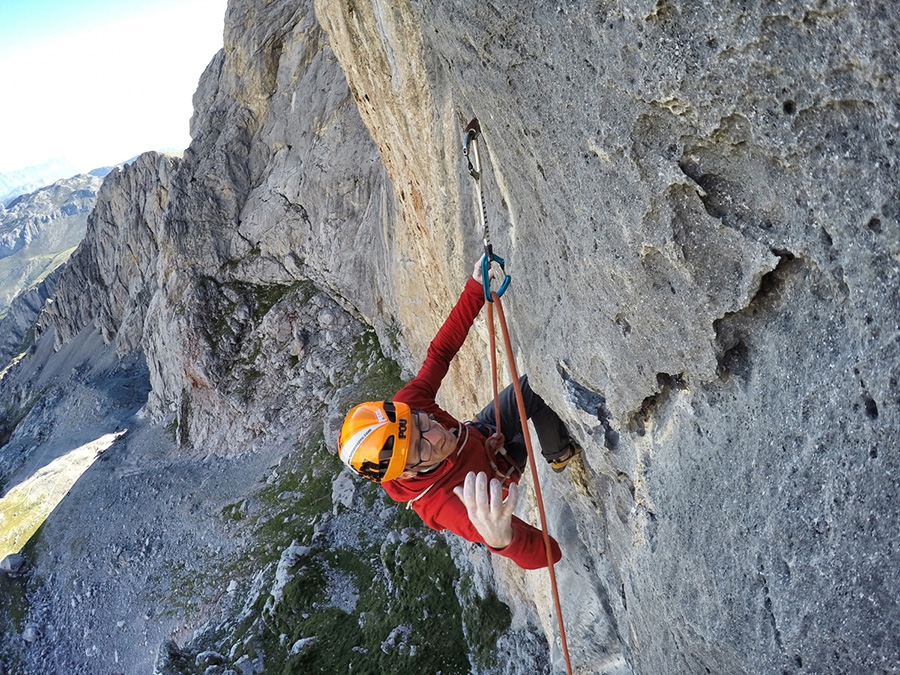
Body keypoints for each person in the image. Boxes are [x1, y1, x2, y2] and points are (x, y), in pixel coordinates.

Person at [337, 258, 580, 569]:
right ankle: (556, 453)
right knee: (532, 400)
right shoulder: (445, 505)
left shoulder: (407, 405)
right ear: (408, 473)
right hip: (501, 470)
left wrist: (475, 290)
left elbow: (439, 354)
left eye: (422, 422)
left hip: (482, 433)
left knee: (537, 385)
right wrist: (501, 539)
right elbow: (550, 553)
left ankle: (557, 454)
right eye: (422, 447)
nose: (438, 434)